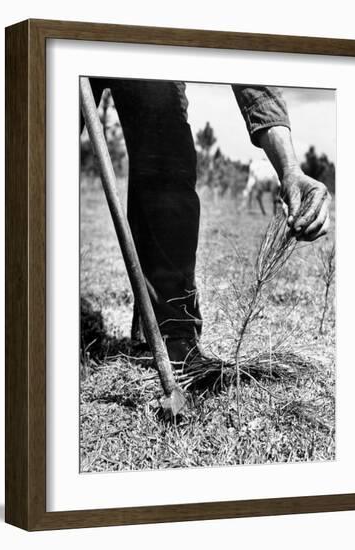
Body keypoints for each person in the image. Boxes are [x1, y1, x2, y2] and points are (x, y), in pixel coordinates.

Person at [84, 78, 331, 366]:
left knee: (167, 152)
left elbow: (250, 63)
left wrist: (288, 169)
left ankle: (172, 332)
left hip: (149, 44)